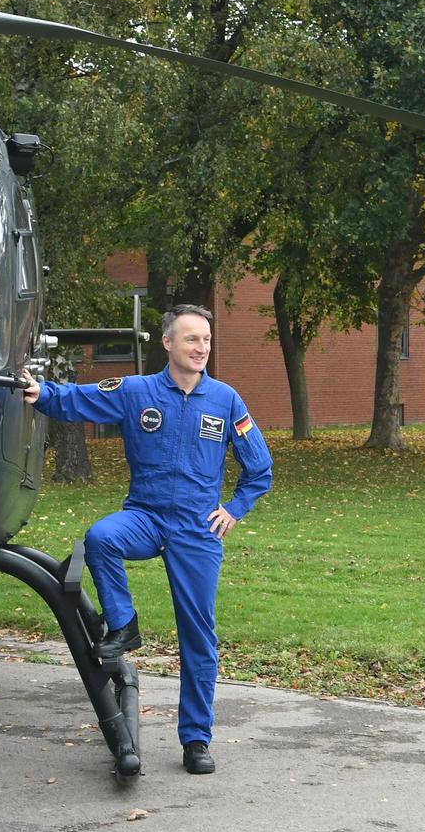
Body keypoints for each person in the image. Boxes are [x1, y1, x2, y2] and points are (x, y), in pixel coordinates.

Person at [21, 305, 271, 774]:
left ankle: (196, 740)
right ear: (168, 343)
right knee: (100, 538)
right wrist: (42, 393)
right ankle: (124, 624)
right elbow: (80, 399)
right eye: (193, 339)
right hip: (147, 516)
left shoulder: (226, 400)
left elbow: (260, 469)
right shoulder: (137, 391)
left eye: (208, 341)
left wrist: (233, 509)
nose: (202, 349)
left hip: (197, 528)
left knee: (198, 636)